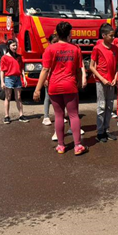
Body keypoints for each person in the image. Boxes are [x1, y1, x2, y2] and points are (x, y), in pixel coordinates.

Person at [35, 21, 87, 156]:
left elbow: (45, 69)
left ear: (56, 34)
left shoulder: (50, 49)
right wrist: (80, 82)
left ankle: (61, 145)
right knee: (73, 115)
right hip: (70, 85)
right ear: (70, 33)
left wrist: (37, 89)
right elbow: (79, 69)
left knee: (58, 116)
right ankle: (77, 145)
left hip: (54, 86)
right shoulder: (75, 49)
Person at [90, 23, 118, 143]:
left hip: (111, 83)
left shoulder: (115, 49)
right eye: (111, 36)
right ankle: (100, 131)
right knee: (101, 106)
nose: (113, 38)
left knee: (109, 106)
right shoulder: (97, 48)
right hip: (101, 82)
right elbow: (92, 66)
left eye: (113, 35)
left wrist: (115, 78)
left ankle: (106, 130)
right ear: (104, 35)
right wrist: (102, 79)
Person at [0, 39, 29, 124]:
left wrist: (24, 78)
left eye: (16, 45)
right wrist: (2, 82)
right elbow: (2, 71)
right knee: (8, 97)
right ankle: (6, 116)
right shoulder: (4, 57)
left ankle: (21, 115)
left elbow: (22, 68)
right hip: (9, 78)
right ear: (9, 46)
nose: (15, 47)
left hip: (17, 78)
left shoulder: (19, 57)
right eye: (13, 45)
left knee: (19, 97)